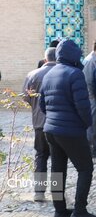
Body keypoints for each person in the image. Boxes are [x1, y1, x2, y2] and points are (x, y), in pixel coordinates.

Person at [40, 39, 96, 217]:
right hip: (71, 130)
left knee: (57, 171)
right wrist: (86, 123)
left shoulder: (49, 74)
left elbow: (43, 104)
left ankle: (59, 211)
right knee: (85, 168)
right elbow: (83, 106)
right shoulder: (75, 74)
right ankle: (80, 211)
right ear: (74, 56)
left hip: (50, 130)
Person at [23, 47, 56, 202]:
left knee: (41, 156)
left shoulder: (32, 75)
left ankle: (39, 191)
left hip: (39, 122)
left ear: (45, 59)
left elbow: (26, 98)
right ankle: (57, 193)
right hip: (57, 123)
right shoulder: (63, 74)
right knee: (58, 157)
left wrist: (36, 106)